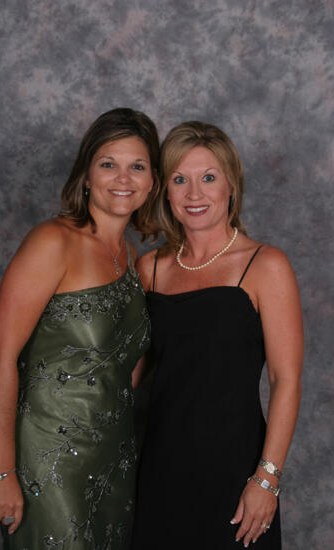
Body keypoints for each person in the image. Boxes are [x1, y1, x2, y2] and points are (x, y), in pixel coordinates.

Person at [0, 107, 160, 549]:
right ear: (85, 174)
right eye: (109, 164)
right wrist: (3, 470)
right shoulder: (53, 241)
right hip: (50, 462)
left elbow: (125, 365)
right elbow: (0, 356)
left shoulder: (133, 257)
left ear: (152, 180)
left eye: (137, 166)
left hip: (116, 458)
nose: (123, 178)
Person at [130, 121, 303, 549]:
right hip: (157, 469)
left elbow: (286, 381)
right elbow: (131, 377)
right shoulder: (149, 269)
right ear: (164, 190)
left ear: (230, 186)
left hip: (235, 474)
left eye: (208, 178)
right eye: (179, 179)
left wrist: (266, 480)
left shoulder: (266, 265)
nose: (194, 194)